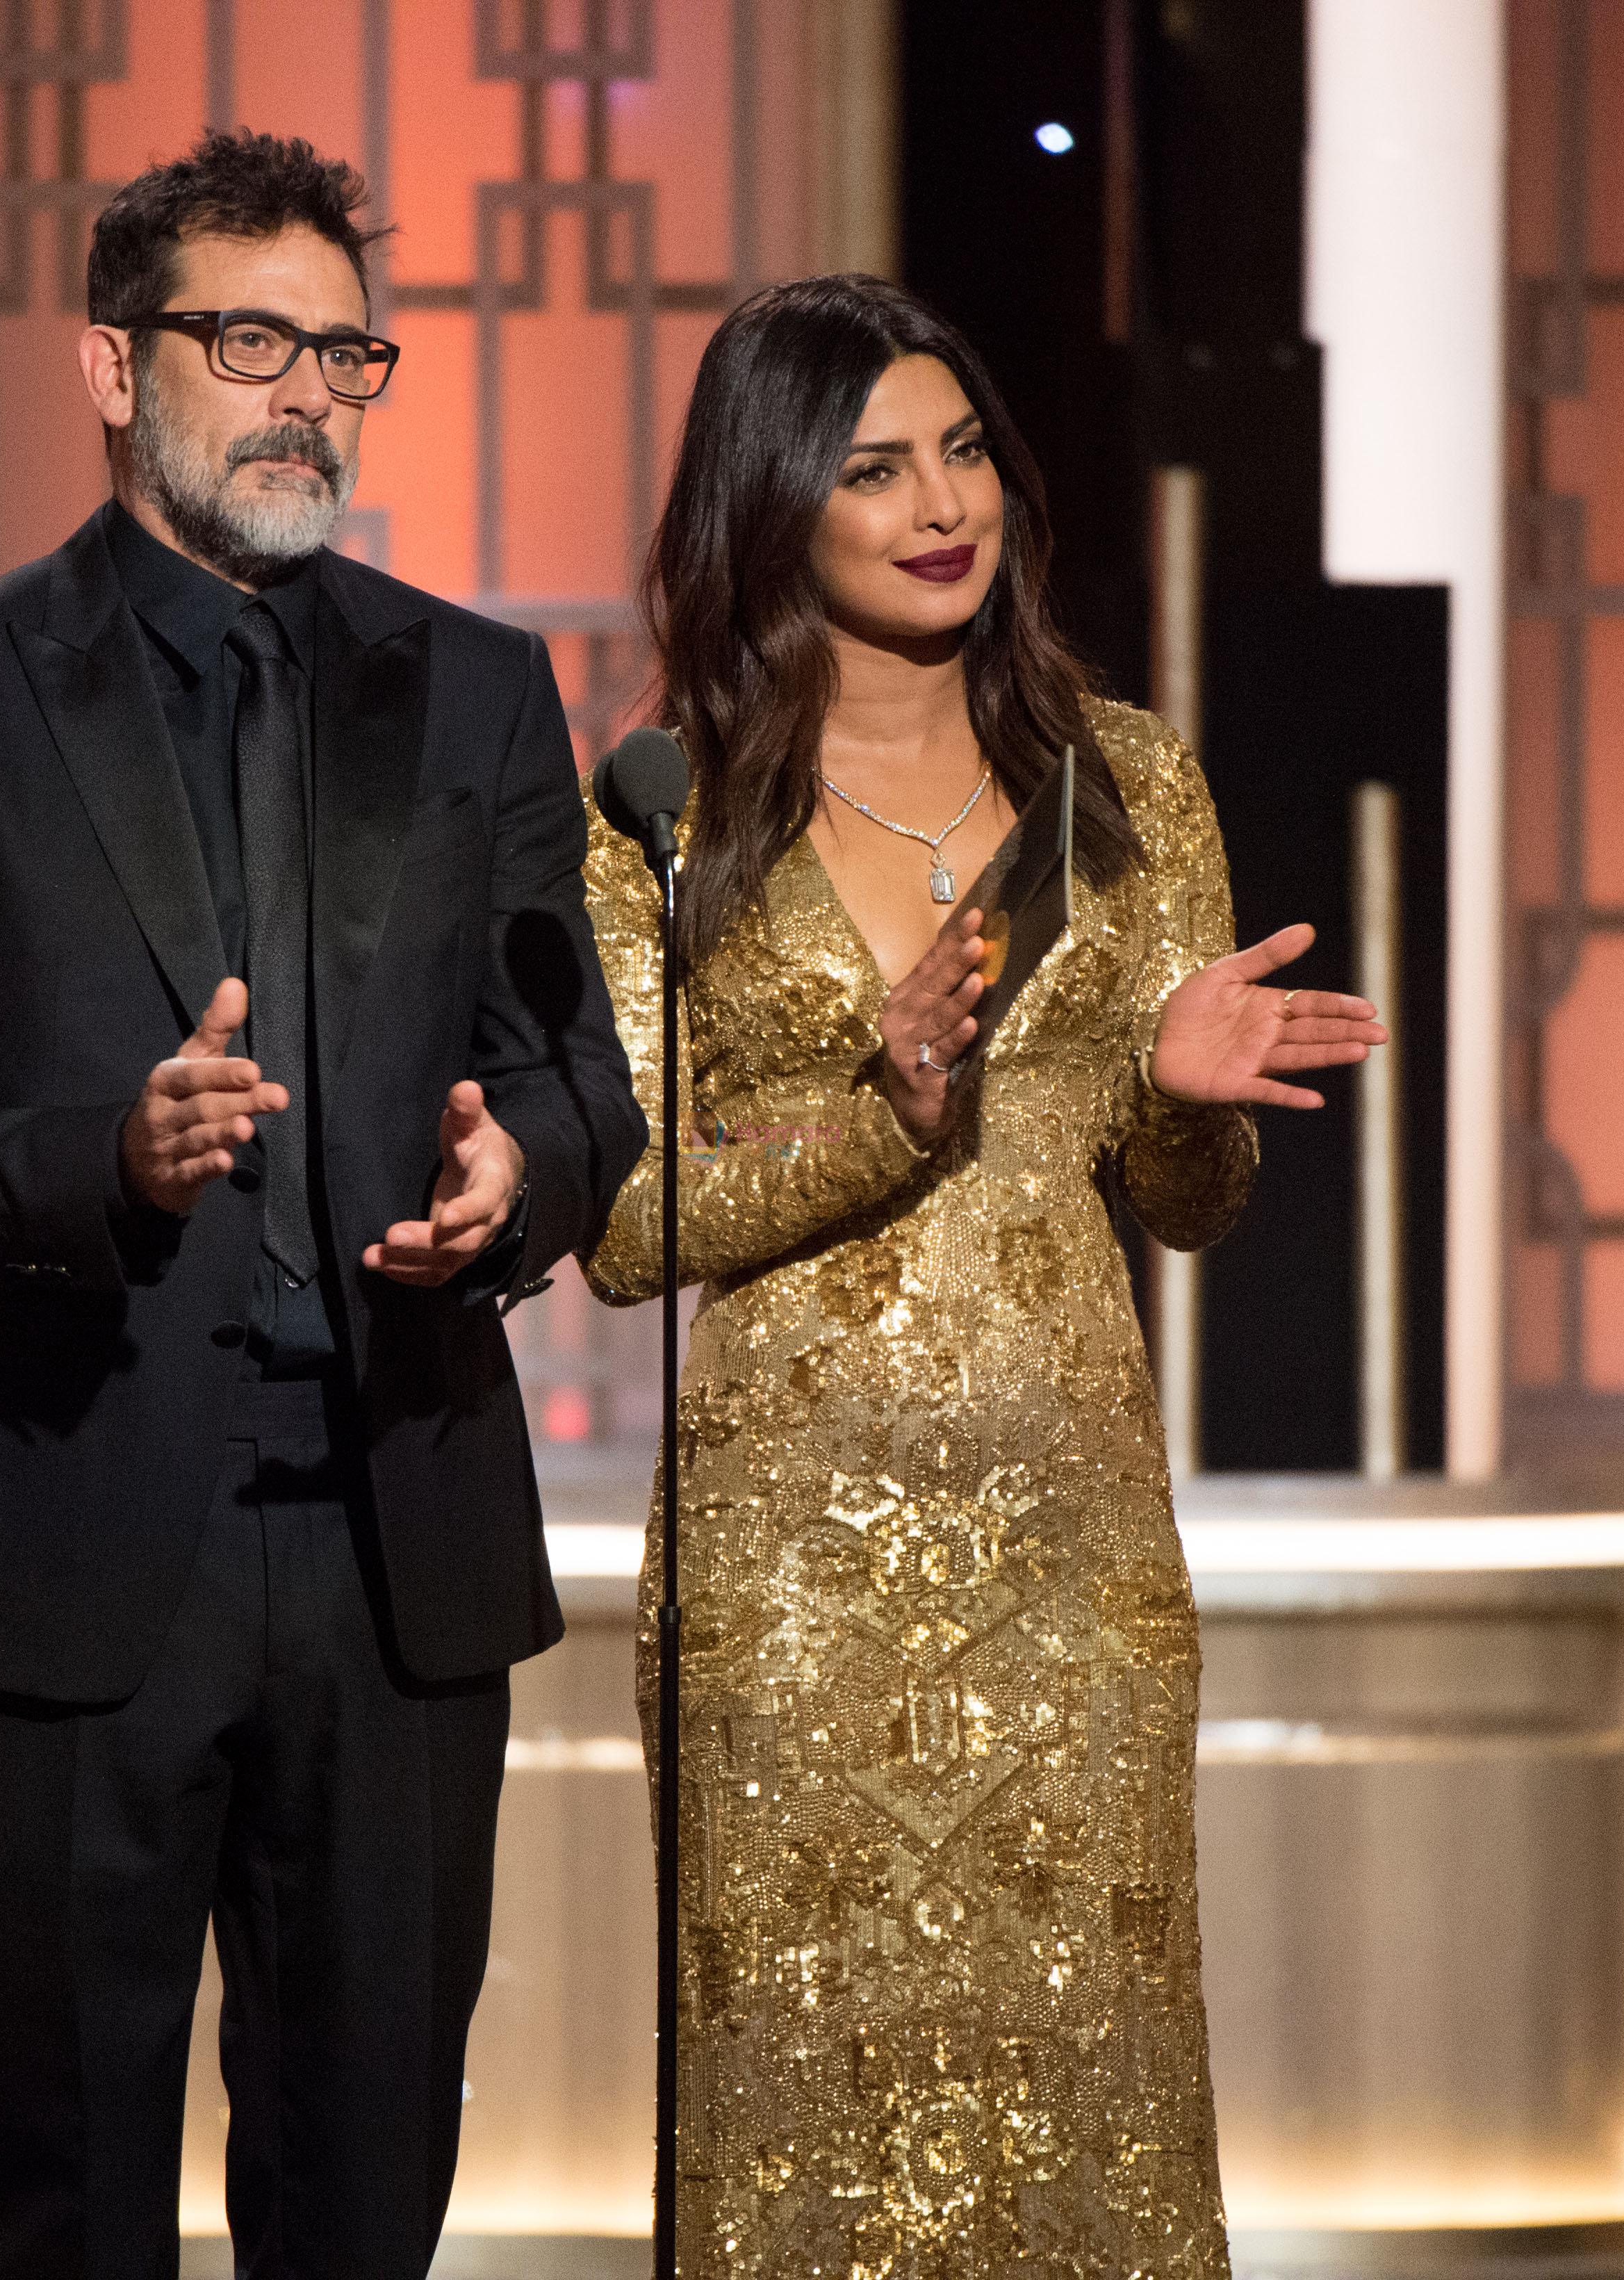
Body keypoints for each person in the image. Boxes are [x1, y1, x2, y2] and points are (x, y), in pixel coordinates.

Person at [0, 130, 641, 2280]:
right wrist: (107, 1153)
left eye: (340, 350)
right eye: (245, 339)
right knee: (66, 2198)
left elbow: (574, 1069)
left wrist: (517, 1176)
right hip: (64, 1529)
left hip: (396, 1531)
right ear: (112, 364)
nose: (302, 395)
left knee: (366, 2197)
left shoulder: (472, 689)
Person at [582, 275, 1386, 2277]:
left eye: (962, 453)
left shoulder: (1128, 784)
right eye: (872, 468)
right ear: (775, 513)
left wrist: (1181, 1096)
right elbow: (612, 1222)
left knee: (1086, 2133)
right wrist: (887, 1109)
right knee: (800, 2144)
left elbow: (1191, 1206)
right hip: (785, 1593)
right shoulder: (666, 818)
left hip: (1071, 1571)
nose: (942, 504)